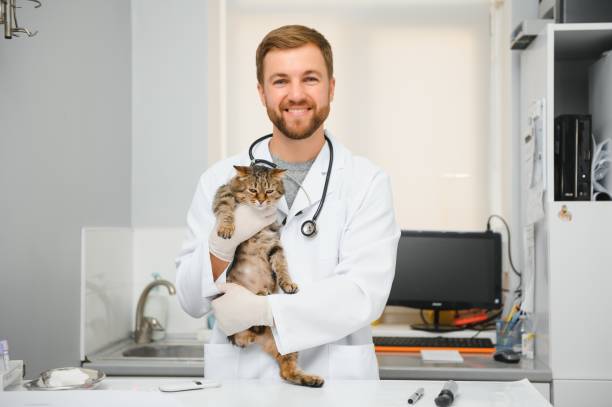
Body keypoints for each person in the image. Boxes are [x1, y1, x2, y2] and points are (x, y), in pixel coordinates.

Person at [175, 24, 400, 380]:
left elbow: (362, 295)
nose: (296, 94)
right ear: (262, 93)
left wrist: (266, 310)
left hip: (336, 386)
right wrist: (220, 245)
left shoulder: (365, 182)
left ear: (331, 87)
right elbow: (189, 300)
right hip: (241, 384)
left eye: (310, 78)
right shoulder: (219, 179)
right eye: (280, 81)